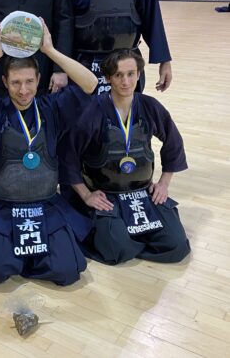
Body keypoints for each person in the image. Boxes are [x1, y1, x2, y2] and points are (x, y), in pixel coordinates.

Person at [0, 23, 98, 286]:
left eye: (29, 81)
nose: (23, 90)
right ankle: (19, 256)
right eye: (16, 82)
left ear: (39, 80)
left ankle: (24, 258)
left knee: (67, 272)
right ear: (4, 82)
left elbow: (90, 83)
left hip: (45, 204)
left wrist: (51, 51)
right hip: (4, 206)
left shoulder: (52, 108)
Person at [62, 49, 190, 265]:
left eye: (131, 74)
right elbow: (68, 155)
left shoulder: (150, 106)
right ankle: (123, 235)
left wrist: (163, 184)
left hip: (142, 193)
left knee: (176, 245)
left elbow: (173, 142)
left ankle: (129, 235)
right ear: (107, 78)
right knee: (118, 250)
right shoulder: (92, 111)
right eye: (118, 75)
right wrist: (86, 195)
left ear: (139, 74)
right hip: (107, 195)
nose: (126, 81)